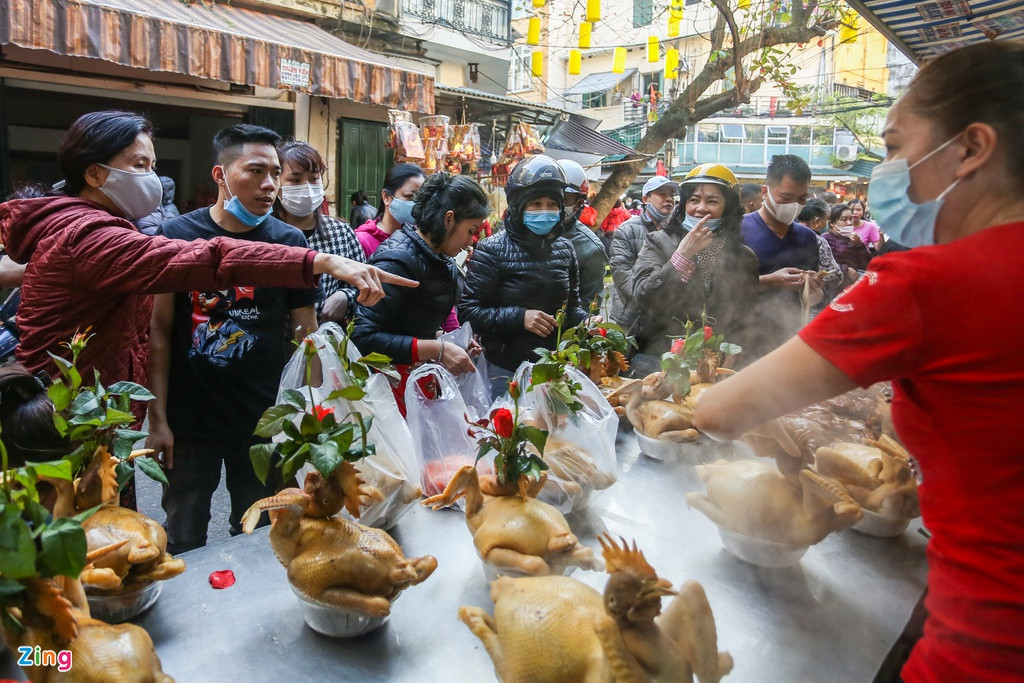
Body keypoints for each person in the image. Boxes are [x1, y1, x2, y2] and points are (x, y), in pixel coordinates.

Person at [694, 41, 1024, 682]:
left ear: (971, 148)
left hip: (987, 646)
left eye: (896, 147)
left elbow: (718, 409)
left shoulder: (928, 282)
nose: (889, 169)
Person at [0, 110, 412, 413]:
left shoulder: (86, 229)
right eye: (139, 165)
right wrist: (320, 261)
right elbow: (207, 258)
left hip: (87, 403)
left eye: (153, 165)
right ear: (94, 174)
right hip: (68, 415)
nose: (151, 178)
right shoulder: (93, 234)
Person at [144, 124, 341, 552]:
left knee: (260, 535)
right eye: (255, 171)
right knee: (183, 534)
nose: (269, 185)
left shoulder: (290, 243)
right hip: (190, 419)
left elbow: (304, 335)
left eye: (274, 172)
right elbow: (158, 332)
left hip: (265, 419)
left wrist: (307, 413)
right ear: (220, 175)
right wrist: (156, 419)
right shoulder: (177, 238)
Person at [352, 173, 485, 412]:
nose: (470, 241)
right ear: (449, 219)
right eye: (470, 230)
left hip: (416, 385)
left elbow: (415, 320)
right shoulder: (397, 261)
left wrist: (455, 341)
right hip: (389, 393)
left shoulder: (439, 257)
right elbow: (363, 337)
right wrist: (439, 349)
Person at [459, 155, 590, 397]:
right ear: (519, 207)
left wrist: (587, 322)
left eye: (552, 204)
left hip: (552, 368)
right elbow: (469, 312)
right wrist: (520, 317)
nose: (545, 211)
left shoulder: (565, 249)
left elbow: (571, 306)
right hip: (503, 372)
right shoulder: (491, 249)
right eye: (536, 204)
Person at [629, 164, 758, 372]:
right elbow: (642, 297)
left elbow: (747, 315)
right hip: (661, 361)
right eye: (694, 200)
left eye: (712, 201)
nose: (701, 208)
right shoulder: (657, 242)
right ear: (684, 205)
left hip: (715, 365)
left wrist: (735, 349)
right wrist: (682, 256)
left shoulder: (744, 257)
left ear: (729, 208)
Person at [740, 154, 824, 359]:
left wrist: (814, 290)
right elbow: (719, 289)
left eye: (802, 199)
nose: (794, 205)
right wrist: (771, 281)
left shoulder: (808, 238)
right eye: (786, 198)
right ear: (764, 192)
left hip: (789, 338)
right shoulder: (737, 230)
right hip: (742, 341)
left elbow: (813, 296)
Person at [274, 141, 365, 323]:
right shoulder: (265, 236)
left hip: (327, 344)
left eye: (314, 178)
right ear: (277, 184)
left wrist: (346, 296)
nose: (307, 187)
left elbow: (365, 286)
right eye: (295, 179)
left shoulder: (342, 233)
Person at [609, 175, 678, 335]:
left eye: (671, 195)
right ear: (646, 199)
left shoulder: (678, 231)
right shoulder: (626, 231)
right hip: (631, 321)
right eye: (662, 194)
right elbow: (623, 277)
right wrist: (655, 302)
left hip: (668, 322)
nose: (669, 199)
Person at [558, 159, 607, 309]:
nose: (553, 204)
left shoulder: (590, 248)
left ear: (578, 204)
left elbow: (588, 308)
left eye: (563, 199)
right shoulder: (521, 234)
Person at [355, 163, 426, 258]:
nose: (416, 204)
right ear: (386, 197)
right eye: (410, 196)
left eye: (421, 198)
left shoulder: (422, 241)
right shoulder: (362, 242)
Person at [821, 202, 872, 287]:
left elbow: (867, 264)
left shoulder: (853, 239)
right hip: (833, 286)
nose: (849, 223)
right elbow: (823, 265)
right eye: (844, 219)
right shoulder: (825, 239)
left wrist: (859, 245)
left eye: (850, 219)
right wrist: (845, 270)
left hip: (851, 285)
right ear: (832, 223)